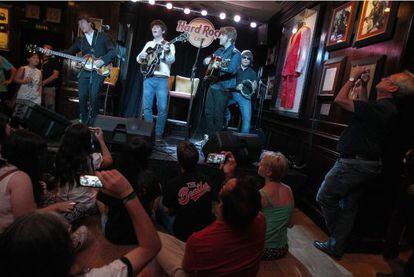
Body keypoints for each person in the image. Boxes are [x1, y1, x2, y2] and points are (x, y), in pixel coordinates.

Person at [314, 69, 414, 259]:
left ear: (392, 88)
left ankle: (338, 238)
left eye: (388, 78)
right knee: (349, 206)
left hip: (353, 165)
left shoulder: (384, 107)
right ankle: (336, 246)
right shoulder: (384, 107)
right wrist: (365, 85)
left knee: (324, 197)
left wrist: (352, 78)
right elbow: (367, 107)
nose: (384, 77)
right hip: (365, 165)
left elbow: (340, 100)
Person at [0, 169, 161, 277]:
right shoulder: (96, 163)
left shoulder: (65, 171)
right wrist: (127, 193)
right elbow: (150, 247)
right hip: (95, 212)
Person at [149, 155, 264, 276]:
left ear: (221, 207)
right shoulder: (260, 220)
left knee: (157, 239)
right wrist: (229, 175)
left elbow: (189, 269)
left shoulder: (201, 240)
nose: (224, 184)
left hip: (193, 262)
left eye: (225, 186)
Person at [0, 129, 75, 233]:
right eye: (39, 155)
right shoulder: (19, 178)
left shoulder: (6, 168)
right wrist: (57, 207)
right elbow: (25, 220)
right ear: (29, 157)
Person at [99, 137, 161, 245]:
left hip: (114, 234)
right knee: (158, 188)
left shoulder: (113, 177)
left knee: (99, 195)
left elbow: (106, 208)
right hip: (142, 235)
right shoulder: (150, 178)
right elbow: (152, 203)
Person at [51, 123, 113, 222]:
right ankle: (104, 220)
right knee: (104, 182)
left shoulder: (59, 157)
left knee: (88, 180)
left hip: (63, 202)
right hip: (85, 206)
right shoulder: (92, 158)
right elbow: (109, 160)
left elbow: (77, 179)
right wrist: (101, 140)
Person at [63, 15, 116, 124]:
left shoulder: (102, 36)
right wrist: (52, 53)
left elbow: (113, 52)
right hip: (85, 71)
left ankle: (94, 121)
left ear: (90, 23)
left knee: (94, 96)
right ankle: (84, 121)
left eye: (82, 23)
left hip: (99, 71)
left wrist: (103, 60)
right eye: (79, 24)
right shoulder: (80, 41)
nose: (81, 25)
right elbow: (69, 52)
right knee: (82, 97)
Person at [162, 141, 214, 242]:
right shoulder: (207, 180)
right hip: (204, 228)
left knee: (160, 206)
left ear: (179, 161)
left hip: (182, 231)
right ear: (197, 159)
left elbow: (169, 209)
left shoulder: (173, 184)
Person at [201, 26, 241, 143]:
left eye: (222, 35)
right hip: (212, 85)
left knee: (218, 116)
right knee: (208, 113)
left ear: (229, 38)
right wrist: (207, 60)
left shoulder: (235, 53)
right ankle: (210, 138)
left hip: (223, 89)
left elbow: (232, 69)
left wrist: (217, 63)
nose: (220, 37)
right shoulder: (219, 51)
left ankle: (216, 142)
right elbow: (206, 61)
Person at [137, 20, 175, 139]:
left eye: (157, 27)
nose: (154, 28)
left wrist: (167, 50)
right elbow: (138, 59)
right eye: (153, 27)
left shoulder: (169, 44)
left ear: (163, 31)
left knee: (162, 108)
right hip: (148, 78)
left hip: (162, 80)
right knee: (147, 107)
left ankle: (158, 134)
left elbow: (171, 60)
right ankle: (149, 132)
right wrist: (142, 57)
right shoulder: (149, 44)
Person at [225, 50, 257, 133]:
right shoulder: (235, 69)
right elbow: (227, 83)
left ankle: (243, 141)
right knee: (221, 102)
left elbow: (255, 84)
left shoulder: (252, 73)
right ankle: (227, 118)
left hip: (245, 97)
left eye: (248, 58)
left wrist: (254, 86)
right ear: (241, 58)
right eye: (244, 57)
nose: (246, 60)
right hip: (233, 94)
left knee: (247, 120)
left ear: (250, 61)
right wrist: (236, 87)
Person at [41, 44, 61, 111]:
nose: (47, 50)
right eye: (46, 49)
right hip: (36, 88)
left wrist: (43, 82)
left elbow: (55, 75)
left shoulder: (54, 61)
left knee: (49, 109)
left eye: (49, 49)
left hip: (49, 88)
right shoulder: (37, 59)